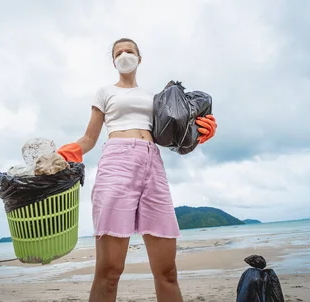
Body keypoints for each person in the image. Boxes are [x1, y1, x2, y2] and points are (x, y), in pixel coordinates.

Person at [56, 38, 217, 302]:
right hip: (117, 164)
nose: (124, 55)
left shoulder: (154, 98)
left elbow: (174, 135)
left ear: (139, 58)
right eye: (118, 52)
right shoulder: (105, 92)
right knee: (109, 271)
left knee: (167, 271)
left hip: (153, 166)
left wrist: (199, 133)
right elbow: (89, 138)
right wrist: (63, 154)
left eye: (129, 51)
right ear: (113, 62)